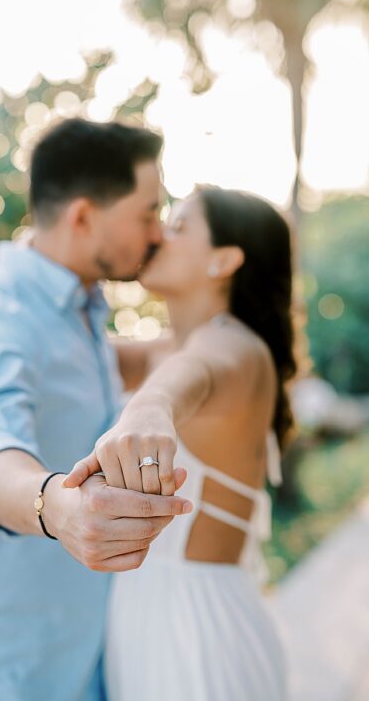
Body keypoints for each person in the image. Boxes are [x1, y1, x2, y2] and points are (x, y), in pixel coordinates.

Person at [0, 117, 192, 700]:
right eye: (148, 213)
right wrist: (54, 506)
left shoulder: (76, 312)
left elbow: (144, 357)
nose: (159, 233)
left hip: (73, 662)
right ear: (84, 216)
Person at [64, 186, 296, 700]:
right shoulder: (161, 349)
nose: (157, 236)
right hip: (140, 617)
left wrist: (152, 405)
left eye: (179, 226)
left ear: (223, 260)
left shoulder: (237, 346)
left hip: (201, 628)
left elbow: (194, 372)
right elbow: (60, 353)